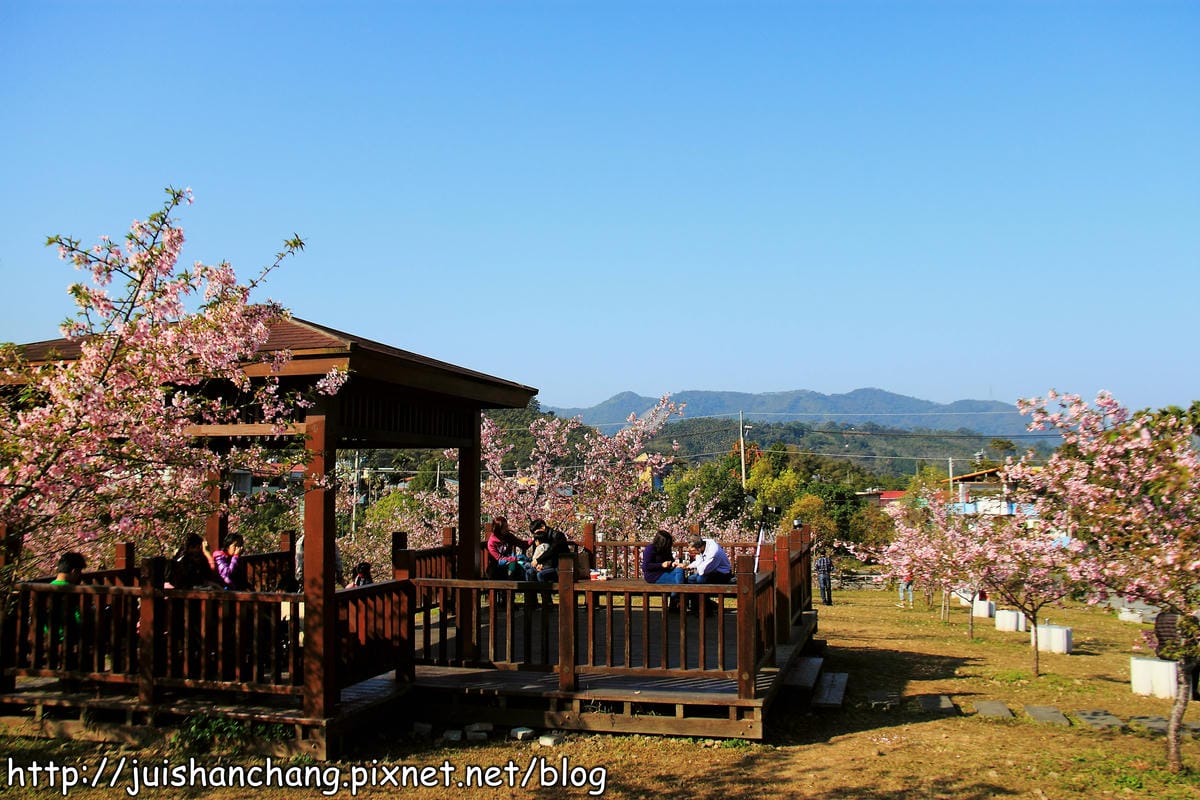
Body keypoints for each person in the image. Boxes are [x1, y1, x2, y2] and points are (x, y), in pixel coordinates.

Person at [682, 537, 732, 614]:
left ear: (699, 548)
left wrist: (697, 566)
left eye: (694, 551)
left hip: (723, 574)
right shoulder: (703, 545)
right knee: (690, 579)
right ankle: (696, 607)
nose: (693, 553)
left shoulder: (713, 552)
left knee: (700, 579)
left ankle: (705, 609)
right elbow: (699, 562)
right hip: (710, 571)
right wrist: (688, 566)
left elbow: (703, 571)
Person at [642, 530, 686, 610]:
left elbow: (670, 560)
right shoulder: (650, 549)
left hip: (666, 572)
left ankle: (675, 600)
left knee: (680, 570)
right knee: (679, 581)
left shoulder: (666, 549)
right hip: (654, 575)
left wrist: (674, 564)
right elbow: (646, 567)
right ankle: (677, 601)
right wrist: (661, 565)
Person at [485, 516, 531, 581]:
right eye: (504, 528)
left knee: (523, 565)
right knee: (516, 566)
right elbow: (498, 559)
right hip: (497, 567)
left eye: (507, 526)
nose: (507, 529)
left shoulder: (508, 536)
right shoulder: (492, 542)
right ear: (498, 529)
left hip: (510, 563)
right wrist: (514, 559)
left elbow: (521, 544)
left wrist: (533, 539)